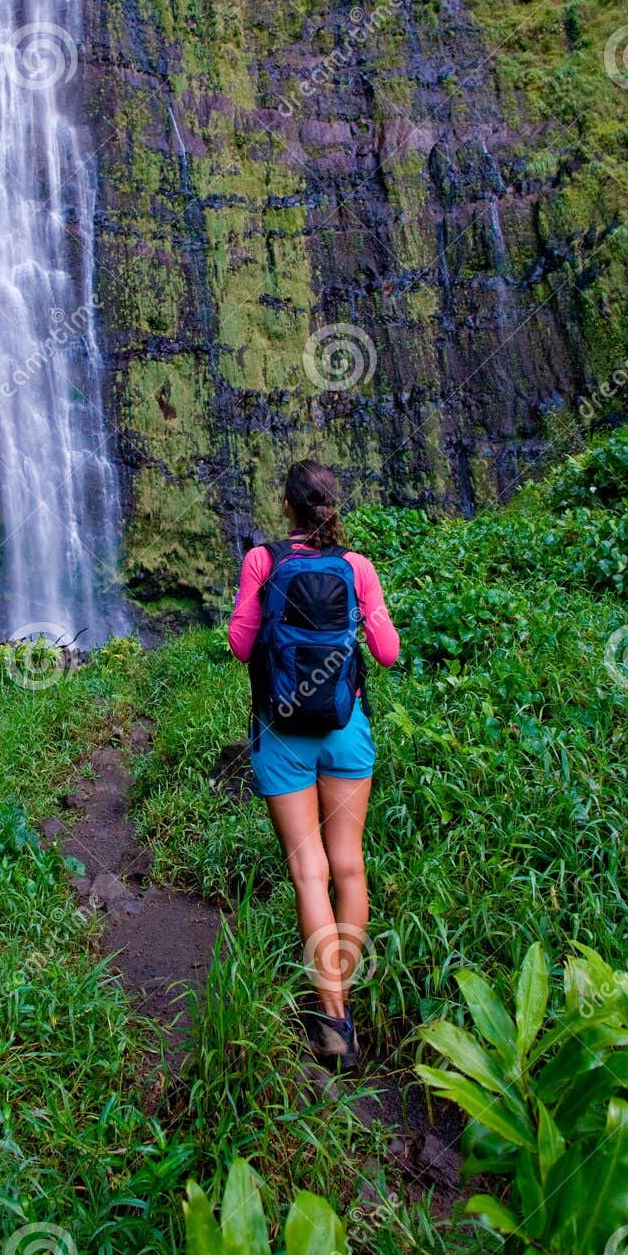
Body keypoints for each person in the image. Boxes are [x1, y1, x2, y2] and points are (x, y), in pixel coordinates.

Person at [228, 459, 399, 1073]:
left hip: (282, 734)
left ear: (288, 506)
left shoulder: (262, 561)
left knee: (310, 873)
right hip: (345, 732)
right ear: (334, 505)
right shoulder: (358, 567)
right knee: (349, 865)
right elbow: (387, 652)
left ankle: (333, 1021)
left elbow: (241, 645)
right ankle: (345, 994)